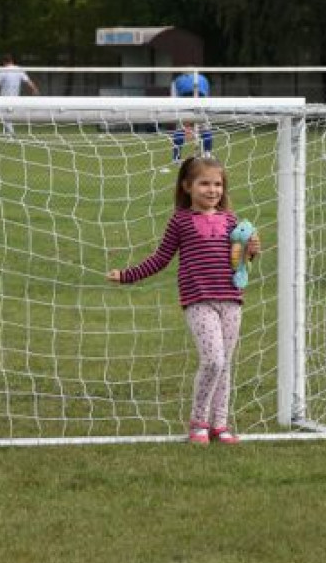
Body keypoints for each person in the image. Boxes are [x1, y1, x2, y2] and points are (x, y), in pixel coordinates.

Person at [107, 156, 260, 446]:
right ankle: (198, 421)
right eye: (205, 183)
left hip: (231, 300)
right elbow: (160, 259)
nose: (212, 190)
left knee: (225, 364)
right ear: (187, 186)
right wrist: (127, 275)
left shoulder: (231, 220)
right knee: (213, 360)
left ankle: (220, 424)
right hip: (198, 301)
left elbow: (240, 261)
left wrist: (251, 251)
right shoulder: (180, 221)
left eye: (218, 184)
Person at [169, 70, 213, 169]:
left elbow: (174, 97)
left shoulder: (177, 81)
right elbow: (207, 95)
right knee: (204, 128)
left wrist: (178, 112)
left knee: (181, 128)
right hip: (200, 101)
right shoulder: (203, 79)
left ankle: (176, 157)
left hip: (185, 102)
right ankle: (207, 154)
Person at [0, 54, 39, 134]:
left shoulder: (3, 70)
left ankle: (11, 132)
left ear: (4, 62)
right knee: (7, 114)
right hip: (15, 96)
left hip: (4, 97)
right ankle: (7, 132)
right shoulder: (18, 69)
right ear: (12, 60)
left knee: (4, 114)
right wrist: (34, 89)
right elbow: (27, 81)